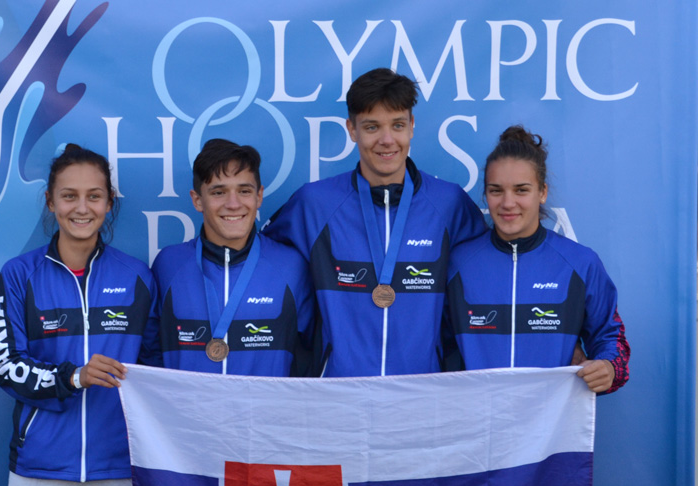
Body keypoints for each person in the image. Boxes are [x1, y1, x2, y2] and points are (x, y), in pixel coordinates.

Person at [0, 144, 158, 486]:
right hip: (41, 473)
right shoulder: (19, 275)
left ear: (109, 202)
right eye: (69, 196)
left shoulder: (138, 277)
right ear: (50, 201)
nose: (81, 208)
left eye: (94, 196)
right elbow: (6, 368)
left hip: (120, 474)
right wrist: (72, 377)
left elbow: (157, 370)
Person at [263, 67, 486, 377]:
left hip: (424, 390)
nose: (386, 140)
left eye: (397, 125)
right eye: (371, 127)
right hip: (339, 391)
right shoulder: (314, 204)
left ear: (412, 126)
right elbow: (259, 266)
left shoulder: (449, 204)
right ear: (352, 129)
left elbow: (489, 277)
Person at [445, 126, 629, 392]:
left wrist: (609, 367)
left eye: (521, 190)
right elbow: (435, 345)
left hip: (552, 417)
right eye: (496, 191)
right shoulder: (457, 264)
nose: (508, 203)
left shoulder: (580, 263)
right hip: (474, 416)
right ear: (485, 195)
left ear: (542, 192)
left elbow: (611, 338)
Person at [146, 138, 315, 376]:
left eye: (244, 191)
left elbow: (312, 355)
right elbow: (149, 353)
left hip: (268, 403)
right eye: (219, 192)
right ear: (197, 200)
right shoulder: (169, 264)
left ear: (259, 196)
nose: (233, 204)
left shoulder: (291, 266)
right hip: (185, 403)